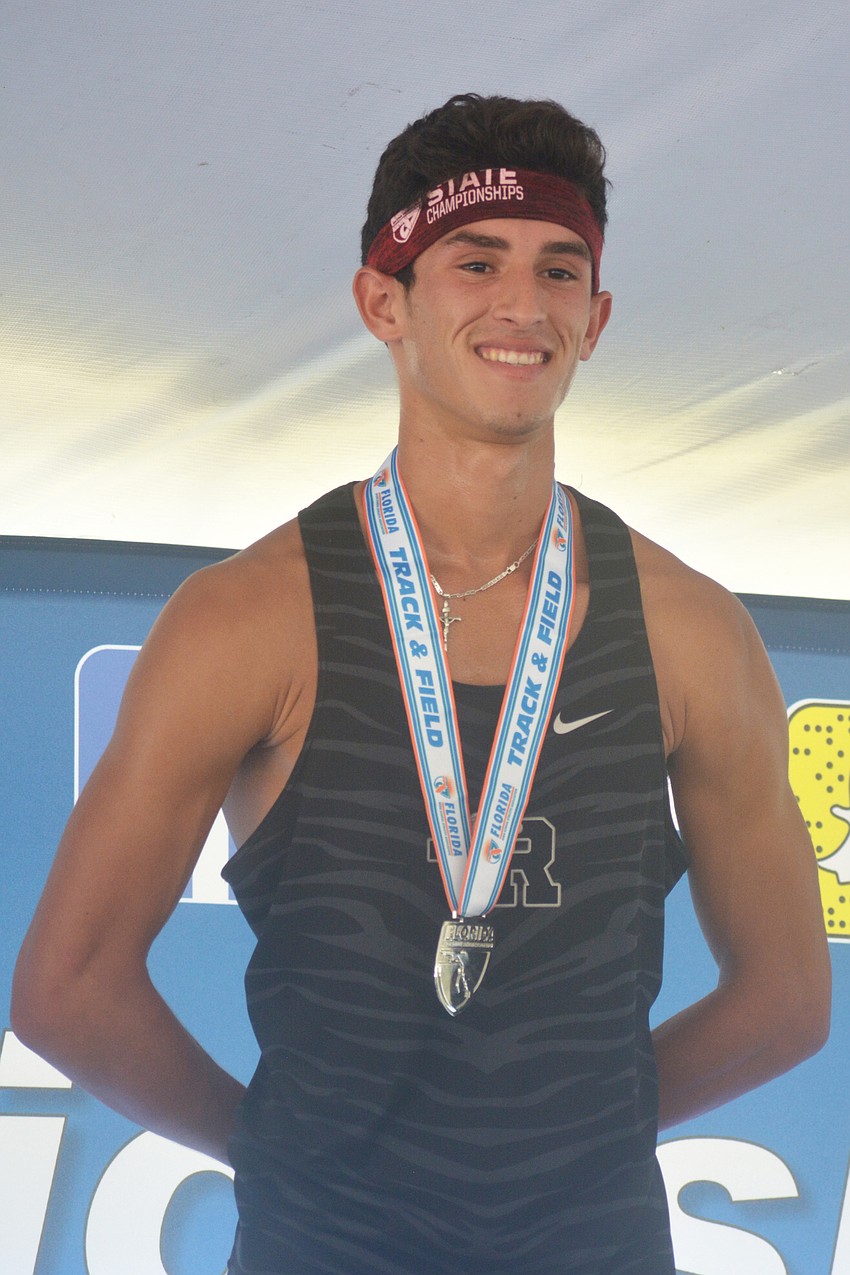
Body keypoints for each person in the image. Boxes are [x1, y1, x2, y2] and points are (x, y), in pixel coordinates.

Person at [12, 93, 830, 1274]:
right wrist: (275, 1147)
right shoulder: (247, 619)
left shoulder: (692, 633)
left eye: (559, 271)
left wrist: (581, 1140)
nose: (521, 304)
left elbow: (789, 999)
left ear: (594, 320)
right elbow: (67, 982)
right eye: (475, 261)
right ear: (381, 300)